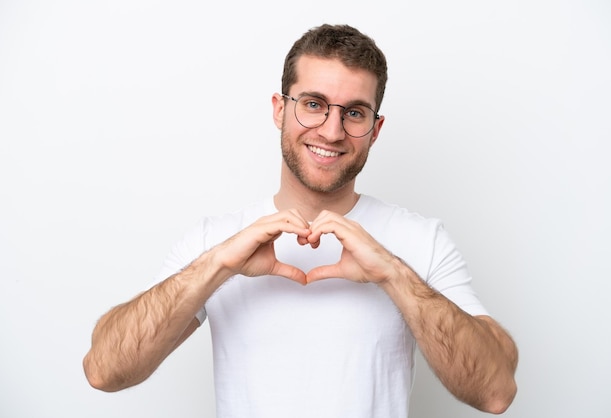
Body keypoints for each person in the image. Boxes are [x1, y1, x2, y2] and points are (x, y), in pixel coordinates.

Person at [83, 24, 518, 417]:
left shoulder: (420, 240)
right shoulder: (215, 240)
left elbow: (496, 391)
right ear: (279, 109)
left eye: (354, 112)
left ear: (376, 128)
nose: (331, 131)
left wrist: (393, 274)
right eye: (313, 104)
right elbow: (104, 369)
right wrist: (217, 266)